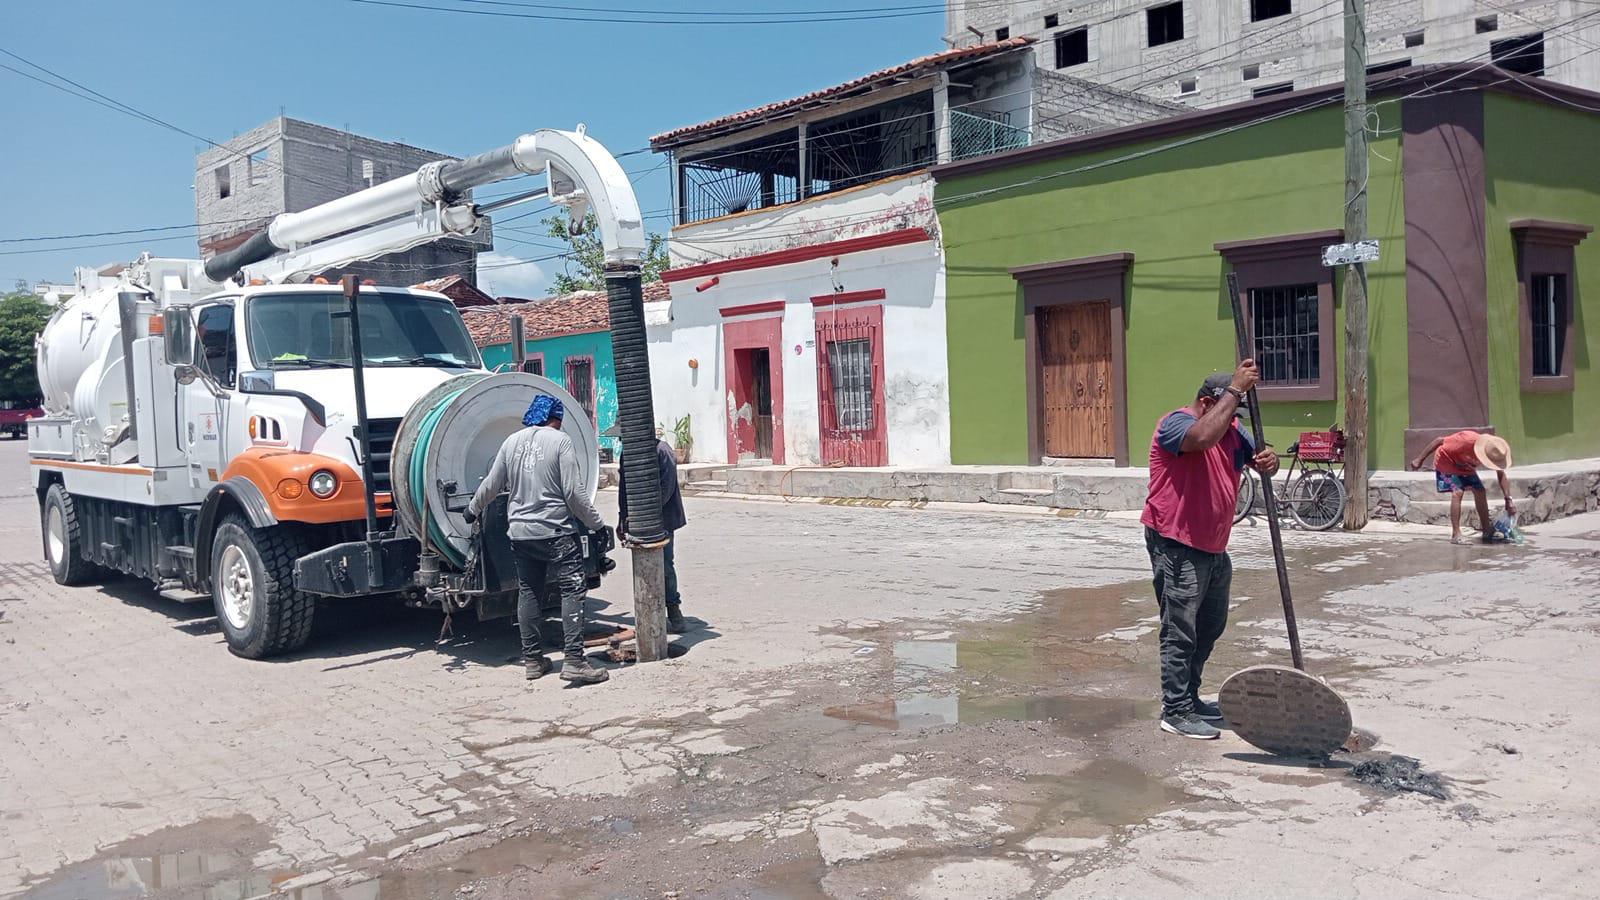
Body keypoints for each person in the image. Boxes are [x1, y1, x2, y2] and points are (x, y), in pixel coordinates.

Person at [1142, 361, 1279, 741]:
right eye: (1231, 409)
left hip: (1214, 546)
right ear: (1207, 402)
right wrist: (1235, 390)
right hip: (1177, 542)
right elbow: (1201, 438)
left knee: (1211, 623)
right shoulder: (1177, 423)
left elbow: (1260, 457)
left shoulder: (1234, 432)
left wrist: (1270, 460)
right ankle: (1176, 709)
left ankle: (1190, 695)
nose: (1236, 420)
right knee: (1180, 629)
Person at [466, 395, 610, 686]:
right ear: (555, 419)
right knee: (572, 590)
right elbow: (573, 494)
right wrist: (597, 525)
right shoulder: (560, 441)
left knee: (529, 591)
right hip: (555, 532)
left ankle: (532, 660)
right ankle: (574, 662)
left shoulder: (511, 442)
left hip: (520, 534)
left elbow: (491, 485)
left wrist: (472, 510)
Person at [616, 432, 690, 634]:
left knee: (665, 563)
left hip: (663, 517)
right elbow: (624, 488)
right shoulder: (627, 454)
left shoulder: (662, 451)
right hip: (637, 520)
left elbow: (666, 488)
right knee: (643, 566)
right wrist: (623, 519)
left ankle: (673, 608)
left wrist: (646, 515)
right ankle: (651, 610)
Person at [1409, 431, 1514, 544]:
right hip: (1446, 461)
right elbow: (1439, 440)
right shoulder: (1466, 440)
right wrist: (1419, 459)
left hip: (1466, 465)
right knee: (1458, 491)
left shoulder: (1494, 451)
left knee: (1480, 490)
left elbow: (1501, 474)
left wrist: (1508, 499)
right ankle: (1456, 534)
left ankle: (1486, 530)